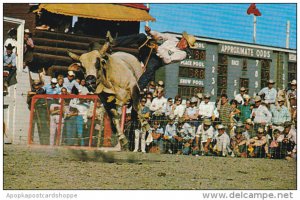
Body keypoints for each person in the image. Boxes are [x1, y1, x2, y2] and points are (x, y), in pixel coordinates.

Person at [107, 26, 196, 90]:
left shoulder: (182, 54)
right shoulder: (172, 38)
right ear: (183, 39)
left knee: (152, 67)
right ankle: (114, 42)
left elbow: (168, 59)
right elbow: (160, 35)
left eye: (187, 46)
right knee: (142, 36)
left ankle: (137, 89)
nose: (185, 46)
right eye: (186, 43)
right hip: (149, 52)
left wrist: (158, 48)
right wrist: (150, 32)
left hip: (157, 60)